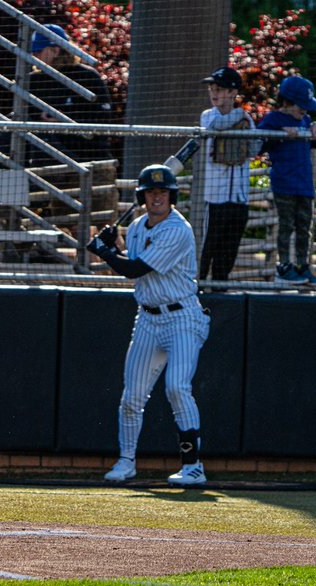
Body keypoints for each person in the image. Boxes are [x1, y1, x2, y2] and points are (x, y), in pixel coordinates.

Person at [85, 164, 211, 487]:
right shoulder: (139, 226)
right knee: (132, 397)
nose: (158, 198)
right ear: (142, 196)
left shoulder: (177, 230)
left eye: (163, 193)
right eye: (152, 192)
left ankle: (193, 466)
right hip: (148, 318)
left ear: (172, 197)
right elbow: (131, 258)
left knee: (177, 387)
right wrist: (113, 247)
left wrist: (104, 253)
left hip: (182, 317)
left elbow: (135, 269)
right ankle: (126, 462)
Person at [257, 75, 316, 285]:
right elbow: (259, 142)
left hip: (304, 184)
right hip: (284, 183)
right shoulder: (274, 119)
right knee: (286, 225)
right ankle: (284, 266)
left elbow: (315, 144)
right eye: (300, 105)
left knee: (304, 226)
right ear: (286, 102)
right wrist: (280, 133)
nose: (304, 110)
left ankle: (303, 266)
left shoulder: (305, 120)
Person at [196, 66, 259, 285]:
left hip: (239, 199)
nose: (214, 93)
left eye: (220, 89)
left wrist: (246, 127)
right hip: (214, 199)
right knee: (206, 250)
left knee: (227, 253)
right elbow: (217, 126)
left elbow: (254, 149)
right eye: (212, 89)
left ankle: (220, 291)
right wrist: (239, 116)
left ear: (233, 92)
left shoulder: (246, 119)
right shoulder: (208, 116)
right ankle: (198, 287)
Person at [26, 24, 113, 163]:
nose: (34, 56)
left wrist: (65, 120)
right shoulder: (33, 80)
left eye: (38, 52)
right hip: (47, 159)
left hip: (89, 156)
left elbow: (103, 118)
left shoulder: (87, 76)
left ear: (55, 50)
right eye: (33, 53)